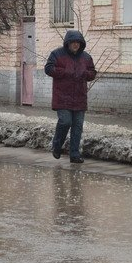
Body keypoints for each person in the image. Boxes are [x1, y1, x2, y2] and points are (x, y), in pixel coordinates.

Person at [44, 30, 97, 164]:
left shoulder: (86, 57)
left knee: (77, 126)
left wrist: (85, 73)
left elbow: (92, 73)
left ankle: (74, 154)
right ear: (67, 43)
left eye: (78, 42)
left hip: (80, 97)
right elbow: (48, 69)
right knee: (65, 122)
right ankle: (57, 145)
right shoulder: (57, 54)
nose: (75, 45)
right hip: (62, 97)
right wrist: (64, 72)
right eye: (73, 42)